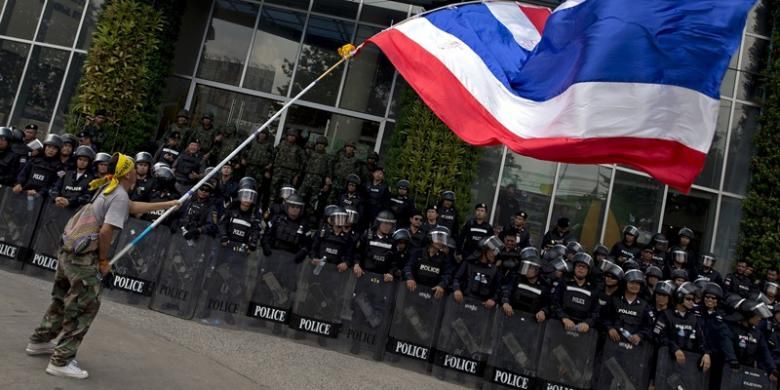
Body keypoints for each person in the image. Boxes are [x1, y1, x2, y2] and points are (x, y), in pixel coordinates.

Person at [25, 153, 178, 379]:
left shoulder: (110, 187)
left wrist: (170, 204)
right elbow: (106, 231)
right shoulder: (118, 195)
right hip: (83, 259)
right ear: (127, 173)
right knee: (85, 306)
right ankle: (61, 360)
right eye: (134, 167)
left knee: (62, 298)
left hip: (69, 253)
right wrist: (104, 261)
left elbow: (133, 207)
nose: (137, 170)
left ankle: (41, 340)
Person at [652, 282, 712, 373]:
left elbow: (701, 340)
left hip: (687, 364)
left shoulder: (694, 318)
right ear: (680, 297)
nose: (692, 302)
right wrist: (675, 348)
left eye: (694, 300)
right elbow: (659, 336)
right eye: (689, 299)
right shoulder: (666, 315)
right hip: (665, 361)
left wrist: (706, 353)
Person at [724, 294, 779, 381]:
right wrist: (732, 359)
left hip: (747, 371)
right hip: (728, 368)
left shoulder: (757, 333)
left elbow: (764, 352)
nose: (760, 319)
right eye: (757, 316)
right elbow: (727, 345)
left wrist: (772, 369)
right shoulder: (731, 328)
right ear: (748, 315)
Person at [552, 252, 600, 333]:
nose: (580, 268)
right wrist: (564, 318)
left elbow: (596, 311)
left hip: (582, 331)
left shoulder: (593, 288)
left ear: (588, 270)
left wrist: (587, 323)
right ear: (574, 267)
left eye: (584, 267)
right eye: (578, 265)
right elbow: (554, 302)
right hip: (560, 325)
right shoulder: (563, 283)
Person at [604, 269, 653, 347]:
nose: (635, 286)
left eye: (637, 284)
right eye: (632, 283)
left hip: (633, 348)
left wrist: (640, 335)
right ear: (625, 284)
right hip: (612, 344)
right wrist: (610, 328)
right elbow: (605, 318)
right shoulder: (614, 300)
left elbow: (648, 327)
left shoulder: (645, 306)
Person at [452, 236, 503, 309]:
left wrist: (493, 299)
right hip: (463, 302)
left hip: (482, 307)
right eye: (492, 251)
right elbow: (456, 278)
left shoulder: (495, 269)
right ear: (484, 251)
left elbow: (498, 289)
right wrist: (457, 289)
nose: (494, 254)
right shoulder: (468, 263)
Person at [403, 226, 453, 300]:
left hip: (431, 295)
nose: (440, 241)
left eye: (442, 239)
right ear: (431, 238)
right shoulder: (418, 252)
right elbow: (408, 266)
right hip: (413, 291)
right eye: (438, 238)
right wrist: (410, 278)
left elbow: (447, 274)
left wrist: (441, 285)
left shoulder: (444, 258)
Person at [501, 250, 550, 321]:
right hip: (511, 315)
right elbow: (507, 290)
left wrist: (543, 311)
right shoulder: (517, 279)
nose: (526, 270)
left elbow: (547, 304)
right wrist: (505, 302)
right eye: (525, 266)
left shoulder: (543, 286)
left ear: (537, 270)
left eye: (529, 267)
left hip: (530, 320)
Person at [353, 210, 399, 282]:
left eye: (390, 224)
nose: (388, 227)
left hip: (382, 279)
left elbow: (394, 262)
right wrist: (356, 264)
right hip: (363, 274)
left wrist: (390, 273)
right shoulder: (368, 235)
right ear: (378, 223)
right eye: (385, 223)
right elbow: (357, 252)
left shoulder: (392, 241)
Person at [262, 194, 309, 263]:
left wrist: (303, 251)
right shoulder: (277, 219)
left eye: (298, 207)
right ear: (287, 206)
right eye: (292, 206)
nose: (295, 209)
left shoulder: (304, 225)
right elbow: (266, 235)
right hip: (272, 257)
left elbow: (308, 244)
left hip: (291, 261)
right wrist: (266, 245)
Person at [310, 207, 353, 272]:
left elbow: (350, 255)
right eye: (338, 217)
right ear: (333, 219)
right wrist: (314, 258)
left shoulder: (348, 238)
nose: (340, 220)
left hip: (336, 271)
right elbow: (313, 248)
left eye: (342, 218)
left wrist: (346, 263)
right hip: (318, 267)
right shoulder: (322, 233)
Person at [242, 128, 274, 206]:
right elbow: (243, 151)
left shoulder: (269, 146)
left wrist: (269, 167)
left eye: (264, 134)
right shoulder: (252, 143)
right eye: (261, 133)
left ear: (266, 135)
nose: (262, 135)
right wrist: (243, 159)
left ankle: (254, 205)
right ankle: (243, 203)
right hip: (249, 168)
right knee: (246, 185)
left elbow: (273, 158)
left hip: (260, 170)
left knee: (257, 189)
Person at [298, 135, 332, 207]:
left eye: (322, 144)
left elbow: (329, 171)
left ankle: (310, 214)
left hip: (318, 180)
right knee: (300, 196)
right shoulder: (310, 153)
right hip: (307, 177)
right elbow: (302, 163)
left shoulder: (327, 157)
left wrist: (327, 184)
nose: (320, 146)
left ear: (325, 146)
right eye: (319, 144)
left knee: (314, 199)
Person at [271, 129, 306, 193]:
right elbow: (272, 154)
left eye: (294, 136)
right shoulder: (281, 144)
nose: (291, 137)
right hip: (278, 170)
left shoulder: (298, 149)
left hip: (290, 173)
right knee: (273, 189)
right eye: (290, 135)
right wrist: (271, 166)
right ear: (287, 136)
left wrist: (297, 175)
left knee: (286, 191)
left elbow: (303, 163)